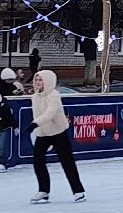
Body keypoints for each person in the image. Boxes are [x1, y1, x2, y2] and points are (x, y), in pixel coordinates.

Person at [29, 70, 85, 204]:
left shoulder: (54, 95)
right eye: (36, 80)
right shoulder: (34, 97)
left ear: (48, 81)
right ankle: (43, 191)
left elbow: (50, 113)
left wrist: (35, 124)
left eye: (40, 80)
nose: (37, 83)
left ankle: (78, 191)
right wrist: (38, 126)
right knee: (38, 160)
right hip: (43, 133)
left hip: (58, 132)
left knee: (67, 162)